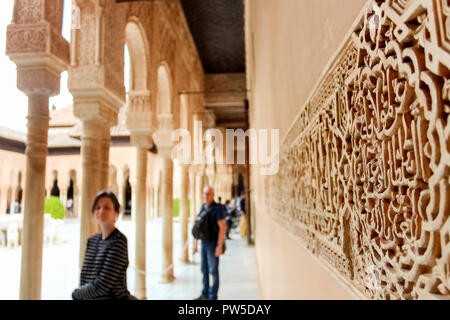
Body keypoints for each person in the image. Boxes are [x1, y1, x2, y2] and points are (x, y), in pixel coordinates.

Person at [72, 190, 136, 300]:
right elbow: (84, 276)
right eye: (97, 207)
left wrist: (76, 294)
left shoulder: (119, 241)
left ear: (115, 213)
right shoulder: (92, 240)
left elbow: (103, 285)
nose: (101, 211)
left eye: (107, 207)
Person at [193, 187, 227, 300]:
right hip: (204, 242)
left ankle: (213, 296)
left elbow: (223, 227)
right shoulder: (203, 207)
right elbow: (198, 225)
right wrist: (195, 243)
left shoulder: (217, 209)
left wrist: (219, 245)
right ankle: (205, 293)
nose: (205, 196)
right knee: (204, 270)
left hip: (213, 244)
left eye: (208, 194)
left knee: (213, 271)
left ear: (213, 195)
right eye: (204, 194)